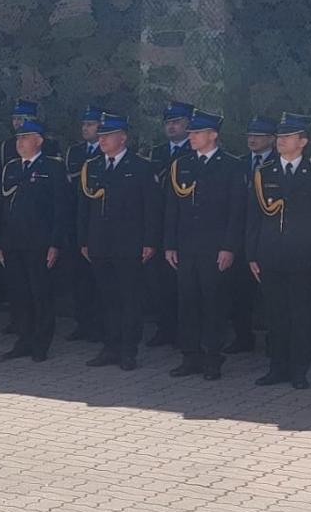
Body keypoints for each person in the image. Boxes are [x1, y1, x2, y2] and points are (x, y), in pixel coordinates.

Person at [247, 113, 311, 389]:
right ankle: (277, 367)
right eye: (280, 138)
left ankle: (299, 370)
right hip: (270, 254)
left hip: (303, 256)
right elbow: (254, 217)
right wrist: (251, 254)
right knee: (275, 315)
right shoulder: (264, 172)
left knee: (301, 316)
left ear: (303, 141)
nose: (281, 142)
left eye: (287, 137)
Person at [163, 110, 248, 381]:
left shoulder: (231, 165)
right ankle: (190, 355)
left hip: (215, 247)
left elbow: (237, 211)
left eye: (197, 133)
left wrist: (229, 247)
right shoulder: (182, 164)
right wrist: (170, 244)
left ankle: (212, 357)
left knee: (214, 303)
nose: (192, 138)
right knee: (187, 302)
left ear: (213, 135)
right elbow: (172, 208)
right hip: (187, 246)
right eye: (191, 134)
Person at [78, 113, 162, 372]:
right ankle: (109, 346)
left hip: (129, 244)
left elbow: (151, 208)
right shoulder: (92, 167)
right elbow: (84, 208)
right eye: (100, 136)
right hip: (100, 244)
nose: (102, 140)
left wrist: (150, 241)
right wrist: (83, 239)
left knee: (129, 300)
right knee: (107, 298)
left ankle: (128, 350)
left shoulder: (140, 167)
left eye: (108, 136)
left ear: (123, 138)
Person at [0, 120, 73, 361]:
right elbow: (2, 207)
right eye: (18, 138)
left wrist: (55, 243)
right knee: (19, 295)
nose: (20, 143)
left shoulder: (52, 167)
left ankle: (41, 343)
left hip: (39, 243)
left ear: (39, 141)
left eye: (25, 138)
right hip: (13, 242)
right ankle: (23, 339)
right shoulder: (11, 168)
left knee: (40, 294)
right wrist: (0, 240)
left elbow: (61, 209)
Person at [145, 101, 195, 350]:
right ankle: (165, 328)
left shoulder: (194, 152)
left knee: (185, 287)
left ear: (189, 124)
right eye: (168, 123)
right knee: (160, 284)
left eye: (177, 122)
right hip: (160, 223)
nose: (172, 127)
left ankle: (185, 334)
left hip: (186, 226)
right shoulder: (157, 153)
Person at [228, 115, 280, 354]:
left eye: (258, 136)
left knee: (271, 294)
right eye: (250, 135)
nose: (252, 139)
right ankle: (242, 337)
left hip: (268, 238)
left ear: (272, 139)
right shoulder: (238, 163)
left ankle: (274, 339)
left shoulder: (280, 164)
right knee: (239, 291)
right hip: (239, 237)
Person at [64, 105, 106, 344]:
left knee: (98, 280)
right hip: (77, 219)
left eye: (90, 125)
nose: (85, 129)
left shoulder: (105, 153)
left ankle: (99, 325)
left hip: (98, 224)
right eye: (84, 125)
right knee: (80, 279)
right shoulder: (75, 151)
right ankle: (83, 323)